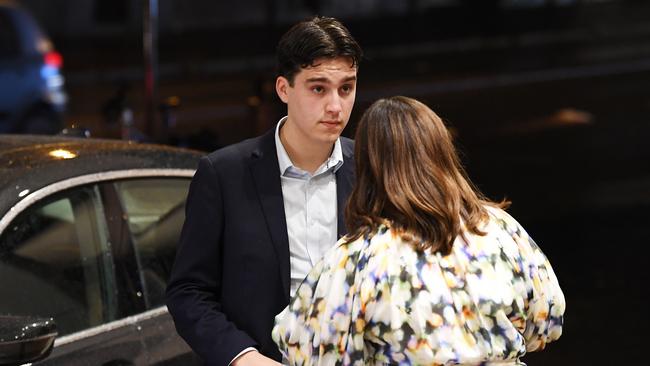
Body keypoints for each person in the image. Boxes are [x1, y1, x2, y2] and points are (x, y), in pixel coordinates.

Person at [272, 96, 565, 365]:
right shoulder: (499, 228)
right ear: (441, 152)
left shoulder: (356, 260)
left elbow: (309, 352)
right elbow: (547, 323)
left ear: (367, 167)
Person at [165, 16, 363, 366]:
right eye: (318, 88)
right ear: (283, 89)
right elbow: (188, 292)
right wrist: (243, 357)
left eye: (346, 88)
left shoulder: (370, 167)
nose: (335, 106)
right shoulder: (224, 173)